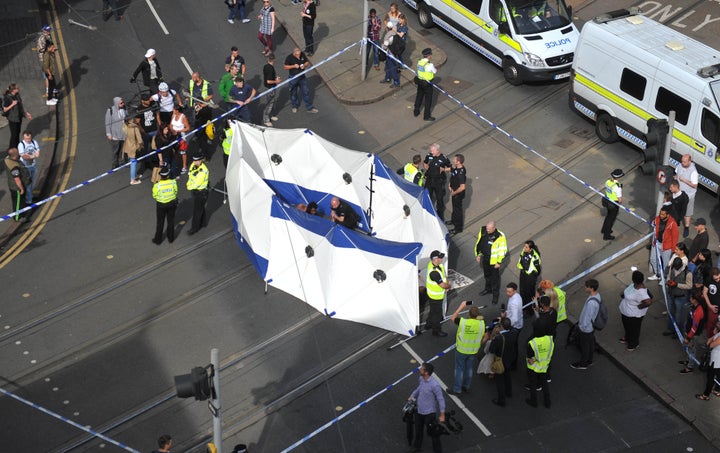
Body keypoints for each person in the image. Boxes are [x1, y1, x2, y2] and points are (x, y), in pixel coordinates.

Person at [408, 362, 445, 453]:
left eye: (422, 368)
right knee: (418, 431)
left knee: (433, 434)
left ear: (426, 372)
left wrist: (442, 414)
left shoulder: (434, 385)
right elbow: (419, 389)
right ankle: (417, 448)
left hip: (429, 414)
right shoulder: (421, 379)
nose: (419, 369)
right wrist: (412, 396)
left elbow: (440, 399)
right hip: (419, 411)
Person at [449, 301, 485, 395]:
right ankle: (466, 386)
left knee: (459, 369)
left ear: (469, 314)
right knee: (469, 368)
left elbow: (452, 318)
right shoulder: (481, 323)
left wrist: (461, 307)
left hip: (461, 349)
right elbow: (481, 317)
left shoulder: (463, 322)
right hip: (473, 350)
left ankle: (457, 389)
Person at [475, 221, 508, 305]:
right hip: (485, 258)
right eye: (487, 228)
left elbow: (502, 250)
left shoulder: (500, 236)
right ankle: (488, 289)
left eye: (489, 229)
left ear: (494, 228)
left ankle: (495, 296)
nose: (487, 230)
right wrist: (478, 254)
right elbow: (479, 243)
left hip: (493, 262)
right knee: (487, 276)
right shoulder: (483, 230)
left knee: (495, 279)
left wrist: (498, 262)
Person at [571, 279, 601, 370]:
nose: (585, 288)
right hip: (591, 328)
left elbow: (587, 317)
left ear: (591, 288)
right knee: (590, 343)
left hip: (586, 328)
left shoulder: (591, 303)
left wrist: (582, 327)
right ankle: (590, 360)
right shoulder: (597, 296)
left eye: (586, 286)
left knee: (585, 346)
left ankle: (583, 363)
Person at [619, 270, 652, 352]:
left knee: (634, 329)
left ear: (634, 280)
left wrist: (639, 307)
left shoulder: (641, 292)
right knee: (627, 326)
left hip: (634, 315)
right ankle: (627, 337)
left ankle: (634, 343)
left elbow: (648, 302)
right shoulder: (633, 285)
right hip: (626, 312)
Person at [488, 317, 518, 407]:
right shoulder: (514, 333)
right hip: (510, 358)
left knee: (499, 381)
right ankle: (509, 392)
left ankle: (501, 400)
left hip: (501, 360)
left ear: (501, 326)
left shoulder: (499, 338)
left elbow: (491, 350)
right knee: (507, 376)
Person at [663, 256, 693, 337]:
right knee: (670, 313)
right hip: (671, 294)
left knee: (679, 316)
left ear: (680, 265)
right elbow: (669, 276)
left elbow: (689, 286)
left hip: (681, 297)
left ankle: (678, 332)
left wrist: (676, 284)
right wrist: (668, 281)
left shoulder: (688, 272)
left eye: (677, 267)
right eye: (674, 266)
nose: (675, 268)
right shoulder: (672, 267)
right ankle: (670, 329)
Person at [648, 206, 679, 281]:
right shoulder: (657, 218)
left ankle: (664, 278)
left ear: (667, 215)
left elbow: (675, 237)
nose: (660, 215)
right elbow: (655, 230)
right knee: (653, 259)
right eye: (660, 213)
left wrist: (673, 249)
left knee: (666, 264)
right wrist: (654, 241)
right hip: (657, 243)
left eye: (662, 214)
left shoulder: (672, 223)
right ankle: (658, 274)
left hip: (666, 247)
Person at [284, 48, 318, 114]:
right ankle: (294, 106)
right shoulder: (289, 57)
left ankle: (309, 107)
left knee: (306, 91)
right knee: (293, 92)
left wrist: (304, 65)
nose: (298, 56)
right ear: (294, 53)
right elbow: (285, 67)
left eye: (299, 54)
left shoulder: (302, 54)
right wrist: (293, 66)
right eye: (297, 55)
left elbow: (307, 62)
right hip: (293, 77)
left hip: (302, 77)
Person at [525, 332, 554, 408]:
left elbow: (530, 361)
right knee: (544, 383)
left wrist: (535, 360)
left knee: (533, 384)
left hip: (533, 368)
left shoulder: (532, 343)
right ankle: (547, 402)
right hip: (544, 367)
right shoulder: (549, 339)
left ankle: (533, 401)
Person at [426, 250, 451, 336]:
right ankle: (436, 330)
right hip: (435, 296)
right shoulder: (434, 273)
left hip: (434, 294)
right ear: (435, 259)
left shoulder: (437, 265)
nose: (442, 258)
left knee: (433, 311)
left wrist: (447, 282)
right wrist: (449, 286)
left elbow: (444, 276)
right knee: (437, 314)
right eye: (440, 257)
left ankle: (428, 324)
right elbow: (443, 285)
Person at [680, 289, 706, 374]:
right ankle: (688, 361)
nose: (690, 298)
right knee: (689, 348)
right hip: (689, 333)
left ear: (695, 299)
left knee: (692, 350)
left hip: (693, 336)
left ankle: (690, 367)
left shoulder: (698, 311)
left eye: (691, 297)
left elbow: (694, 328)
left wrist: (688, 338)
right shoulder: (694, 307)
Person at [423, 143, 451, 220]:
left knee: (439, 198)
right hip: (429, 179)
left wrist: (444, 170)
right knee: (427, 195)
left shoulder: (444, 158)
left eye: (433, 151)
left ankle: (440, 214)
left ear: (437, 150)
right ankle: (426, 210)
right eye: (431, 151)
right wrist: (427, 168)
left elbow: (450, 168)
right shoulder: (429, 156)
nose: (431, 152)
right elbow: (425, 163)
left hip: (439, 181)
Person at [152, 166, 178, 245]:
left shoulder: (157, 185)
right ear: (168, 175)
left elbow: (154, 195)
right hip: (172, 204)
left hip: (161, 205)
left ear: (161, 176)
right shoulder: (173, 182)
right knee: (171, 221)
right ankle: (171, 238)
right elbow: (176, 191)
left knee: (160, 222)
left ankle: (158, 240)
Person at [695, 319, 720, 401]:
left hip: (715, 360)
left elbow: (710, 345)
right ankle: (717, 390)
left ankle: (706, 395)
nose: (717, 323)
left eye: (719, 322)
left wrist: (713, 336)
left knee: (710, 377)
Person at [675, 154, 699, 238]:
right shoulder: (680, 165)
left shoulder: (694, 172)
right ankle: (676, 221)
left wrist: (684, 180)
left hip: (688, 195)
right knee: (676, 208)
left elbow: (695, 185)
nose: (682, 163)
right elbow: (676, 174)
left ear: (689, 161)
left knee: (687, 212)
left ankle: (686, 227)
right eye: (682, 161)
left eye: (684, 162)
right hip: (678, 193)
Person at [4, 147, 30, 222]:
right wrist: (21, 188)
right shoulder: (14, 166)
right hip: (16, 188)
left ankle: (22, 211)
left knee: (18, 201)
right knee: (18, 202)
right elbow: (17, 179)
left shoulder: (7, 159)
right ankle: (17, 217)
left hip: (12, 185)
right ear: (14, 156)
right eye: (18, 153)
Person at [3, 84, 32, 148]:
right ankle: (12, 148)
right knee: (14, 134)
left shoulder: (17, 95)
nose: (18, 89)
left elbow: (21, 105)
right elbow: (5, 109)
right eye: (17, 88)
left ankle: (17, 146)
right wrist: (12, 104)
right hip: (12, 118)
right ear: (13, 90)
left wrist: (26, 113)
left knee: (18, 132)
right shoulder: (7, 98)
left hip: (19, 117)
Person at [187, 153, 210, 235]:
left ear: (201, 160)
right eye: (194, 160)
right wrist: (189, 183)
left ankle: (194, 228)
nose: (195, 162)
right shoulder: (193, 165)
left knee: (197, 211)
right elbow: (190, 174)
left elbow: (197, 183)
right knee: (200, 208)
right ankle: (203, 223)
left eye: (196, 161)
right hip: (197, 192)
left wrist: (189, 186)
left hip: (201, 192)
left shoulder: (203, 171)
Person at [517, 240, 541, 315]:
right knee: (522, 291)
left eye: (526, 247)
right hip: (523, 274)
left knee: (529, 293)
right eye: (524, 246)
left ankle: (530, 310)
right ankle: (524, 306)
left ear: (530, 249)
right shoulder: (524, 251)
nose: (524, 248)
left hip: (530, 277)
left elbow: (538, 270)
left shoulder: (535, 257)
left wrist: (533, 276)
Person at [414, 48, 437, 121]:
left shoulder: (419, 62)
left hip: (420, 81)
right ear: (429, 56)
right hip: (427, 84)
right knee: (428, 100)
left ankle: (416, 111)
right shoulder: (430, 65)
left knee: (419, 96)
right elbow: (434, 71)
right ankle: (426, 116)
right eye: (431, 54)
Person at [601, 168, 624, 240]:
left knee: (608, 216)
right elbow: (620, 200)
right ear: (619, 177)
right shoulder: (618, 186)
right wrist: (620, 202)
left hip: (606, 200)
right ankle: (606, 235)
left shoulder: (608, 181)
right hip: (613, 204)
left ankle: (604, 230)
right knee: (611, 219)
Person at [18, 131, 40, 204]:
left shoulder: (34, 142)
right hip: (25, 167)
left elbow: (38, 153)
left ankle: (30, 196)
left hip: (33, 165)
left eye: (29, 138)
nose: (28, 140)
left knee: (32, 182)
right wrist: (33, 156)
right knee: (28, 184)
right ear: (23, 138)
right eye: (26, 138)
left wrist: (33, 155)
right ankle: (28, 201)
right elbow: (24, 156)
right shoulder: (21, 145)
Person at [105, 97, 126, 169]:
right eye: (121, 103)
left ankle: (122, 162)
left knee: (122, 150)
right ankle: (114, 165)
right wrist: (109, 134)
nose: (123, 104)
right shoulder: (110, 110)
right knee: (115, 151)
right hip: (115, 136)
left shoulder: (124, 109)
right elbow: (107, 123)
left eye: (123, 102)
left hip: (123, 134)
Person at [448, 154, 466, 234]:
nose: (453, 160)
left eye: (455, 160)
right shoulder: (457, 168)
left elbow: (462, 187)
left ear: (458, 162)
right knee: (454, 208)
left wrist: (454, 193)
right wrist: (450, 184)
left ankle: (458, 228)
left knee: (458, 210)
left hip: (457, 194)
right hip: (454, 191)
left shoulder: (461, 173)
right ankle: (453, 220)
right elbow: (453, 174)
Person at [122, 117, 144, 185]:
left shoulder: (125, 126)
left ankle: (133, 178)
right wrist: (141, 145)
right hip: (133, 147)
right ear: (130, 120)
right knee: (133, 163)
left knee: (132, 161)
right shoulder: (135, 128)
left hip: (128, 145)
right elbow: (139, 139)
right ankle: (133, 179)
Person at [169, 104, 190, 175]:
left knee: (183, 152)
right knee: (175, 151)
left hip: (181, 136)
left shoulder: (183, 117)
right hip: (173, 135)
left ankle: (184, 166)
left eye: (174, 110)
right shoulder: (173, 115)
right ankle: (177, 164)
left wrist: (179, 131)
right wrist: (172, 130)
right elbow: (171, 125)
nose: (173, 111)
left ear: (177, 111)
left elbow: (187, 128)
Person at [380, 22, 401, 88]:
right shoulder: (394, 33)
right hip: (394, 53)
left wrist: (382, 44)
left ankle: (396, 82)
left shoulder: (387, 35)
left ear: (387, 28)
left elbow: (384, 47)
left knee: (392, 68)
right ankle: (387, 78)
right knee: (388, 66)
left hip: (390, 54)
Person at [262, 53, 281, 127]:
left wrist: (275, 77)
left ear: (268, 59)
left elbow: (268, 76)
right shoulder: (270, 68)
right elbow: (268, 81)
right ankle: (266, 120)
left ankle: (271, 115)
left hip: (270, 88)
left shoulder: (266, 66)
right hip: (270, 89)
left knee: (272, 103)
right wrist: (277, 81)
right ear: (274, 60)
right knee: (269, 105)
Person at [36, 25, 52, 97]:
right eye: (48, 31)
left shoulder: (47, 36)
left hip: (49, 57)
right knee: (48, 75)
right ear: (44, 31)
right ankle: (47, 92)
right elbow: (41, 50)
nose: (49, 32)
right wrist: (49, 50)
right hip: (44, 59)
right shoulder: (41, 39)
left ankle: (51, 89)